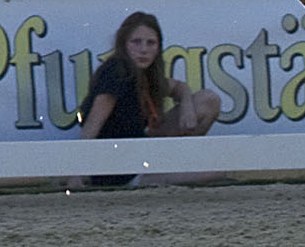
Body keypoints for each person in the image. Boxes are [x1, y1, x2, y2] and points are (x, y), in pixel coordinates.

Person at [76, 12, 220, 188]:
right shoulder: (116, 71)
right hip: (118, 169)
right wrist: (76, 173)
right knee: (214, 172)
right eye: (136, 42)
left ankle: (174, 167)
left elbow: (180, 87)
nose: (143, 49)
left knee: (208, 100)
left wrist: (187, 107)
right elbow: (92, 126)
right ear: (123, 45)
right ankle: (151, 180)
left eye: (150, 43)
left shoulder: (148, 74)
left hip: (145, 154)